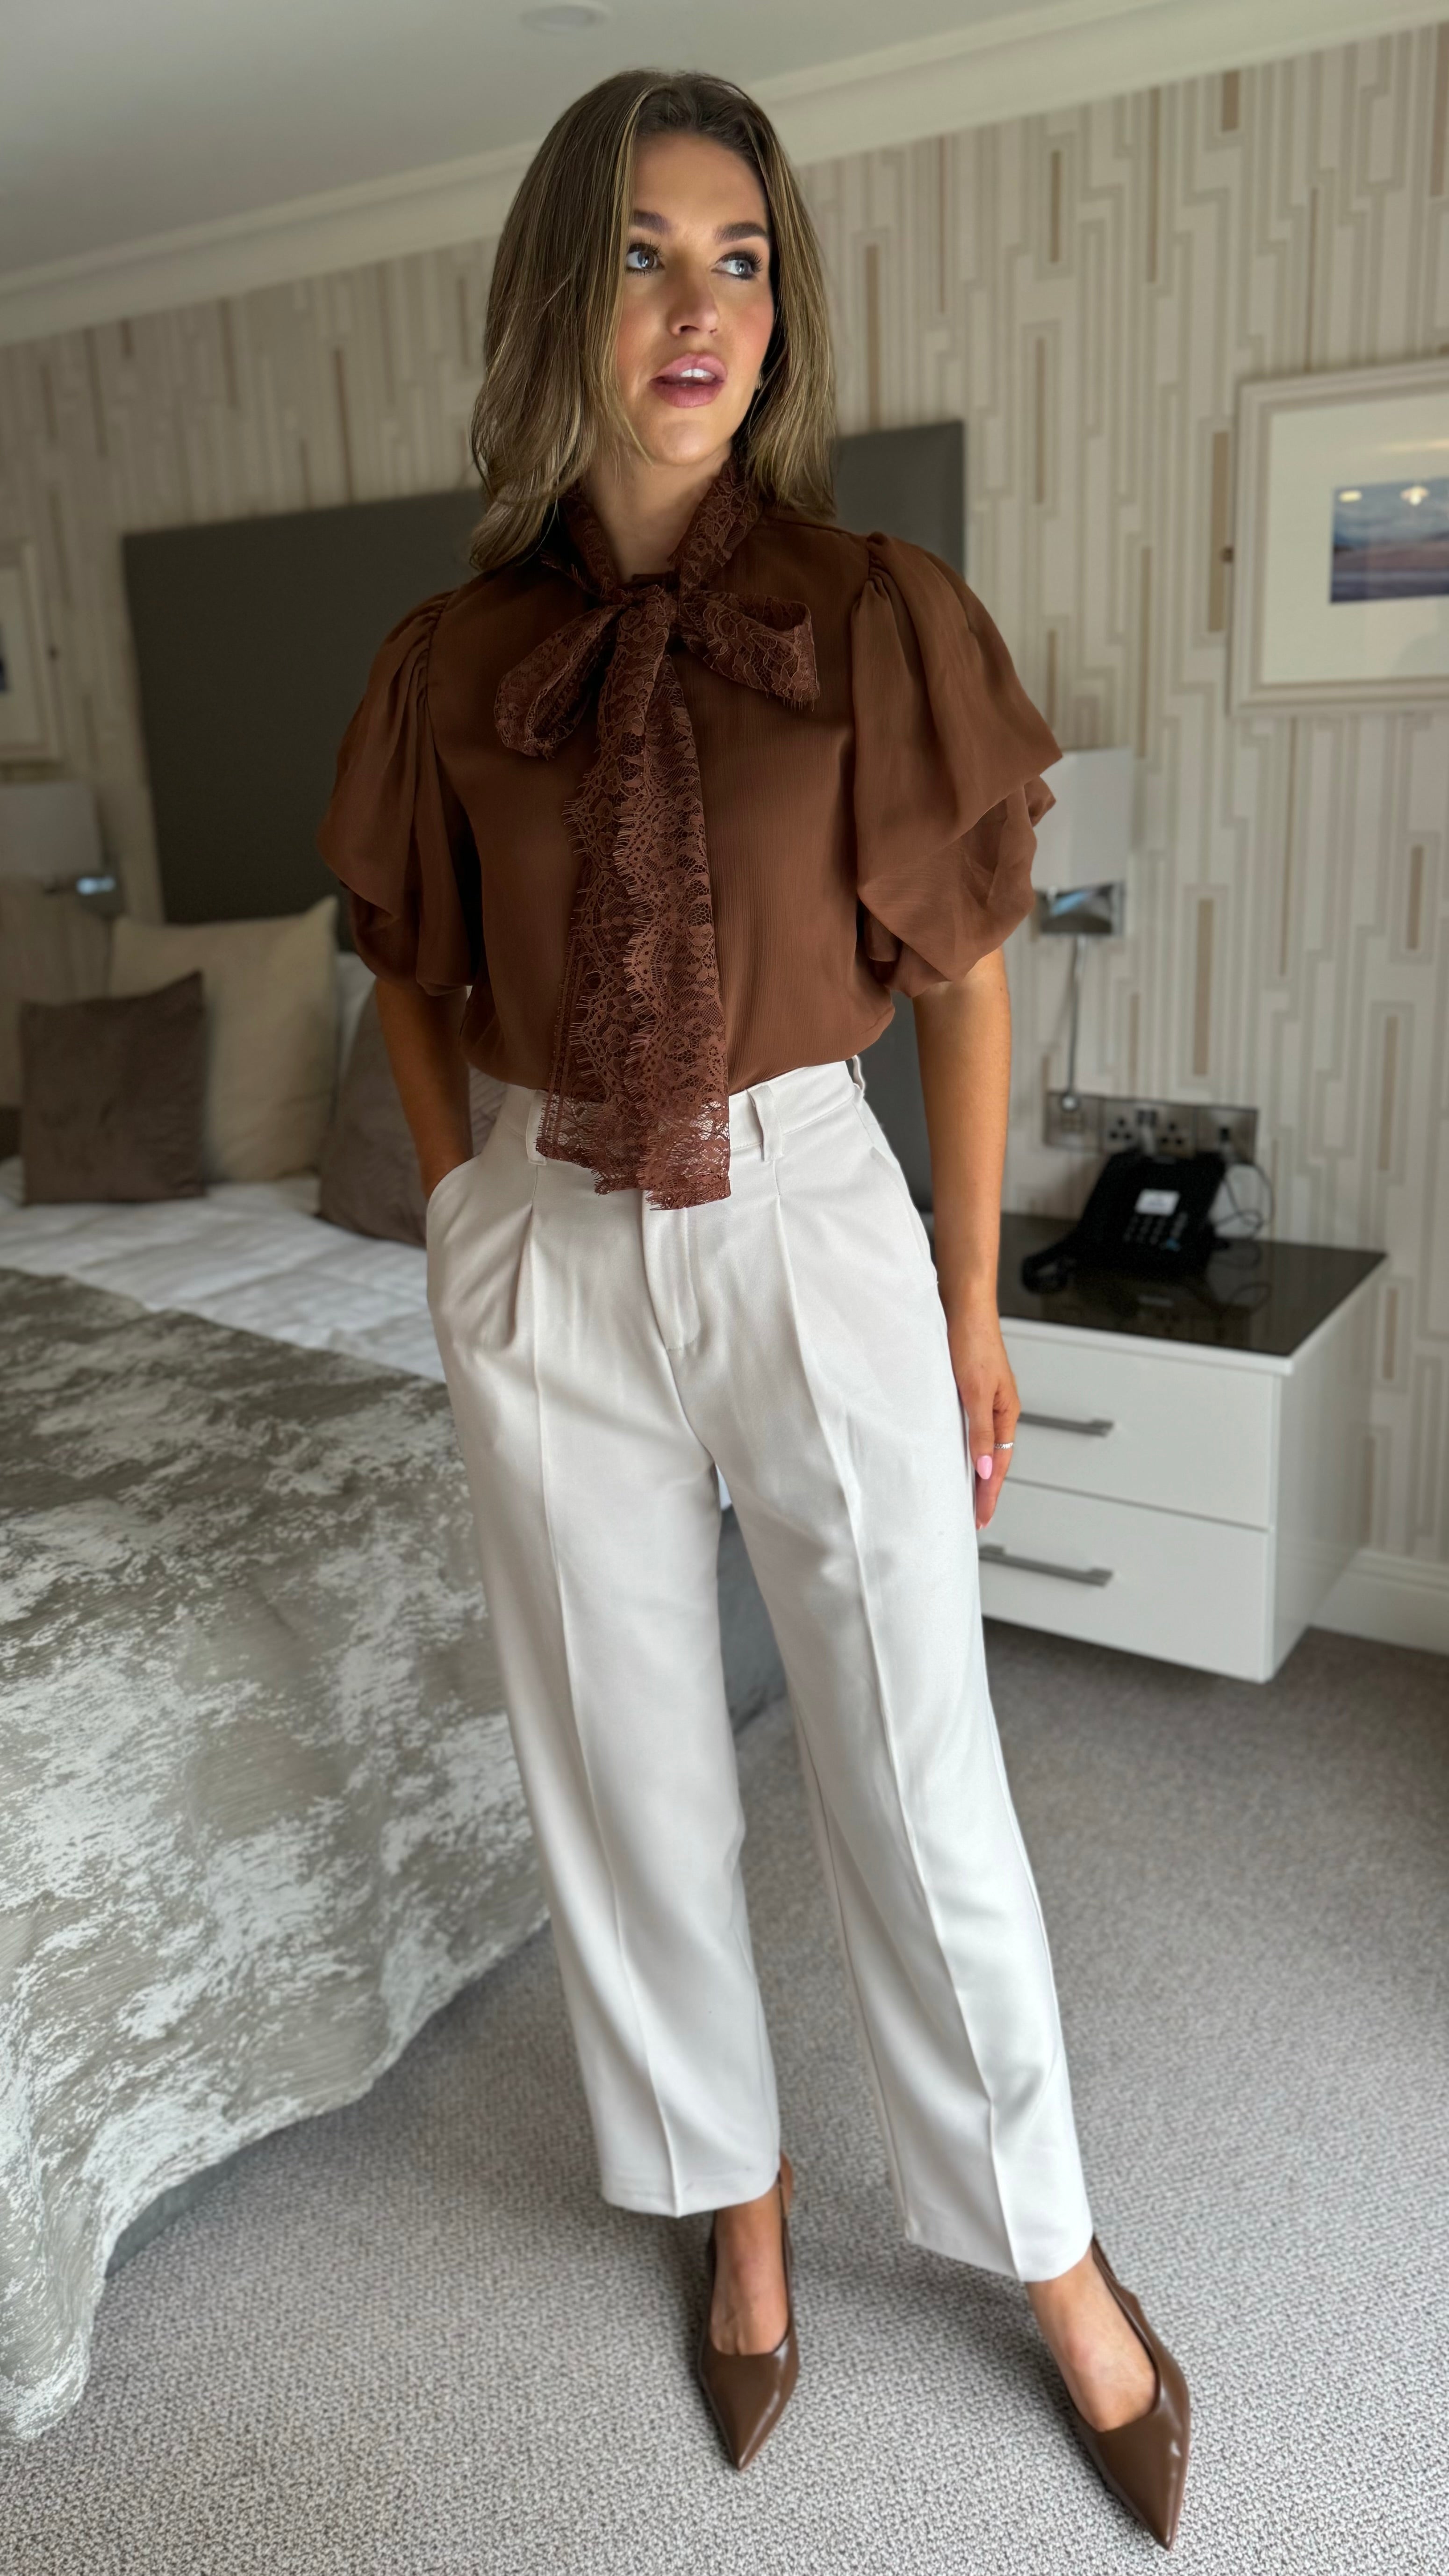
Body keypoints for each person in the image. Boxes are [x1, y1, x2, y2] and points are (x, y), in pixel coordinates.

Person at [318, 66, 1190, 2548]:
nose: (699, 307)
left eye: (741, 257)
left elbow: (969, 978)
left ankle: (1051, 2247)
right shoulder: (449, 657)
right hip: (548, 1227)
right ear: (557, 298)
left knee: (916, 1762)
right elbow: (405, 963)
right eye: (641, 253)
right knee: (626, 1776)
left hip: (807, 1203)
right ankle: (740, 2200)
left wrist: (972, 1297)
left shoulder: (872, 608)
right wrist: (458, 1215)